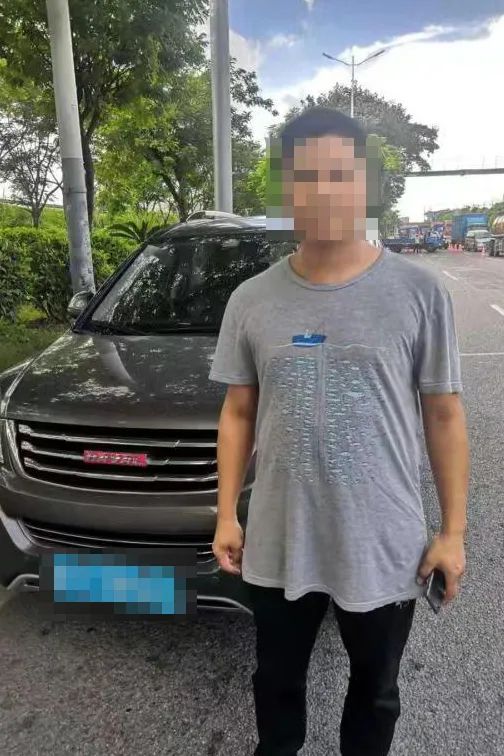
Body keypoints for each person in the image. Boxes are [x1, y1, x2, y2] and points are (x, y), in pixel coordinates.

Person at [210, 107, 469, 756]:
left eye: (338, 175)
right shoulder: (250, 300)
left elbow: (443, 415)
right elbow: (238, 412)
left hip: (383, 542)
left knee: (376, 693)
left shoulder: (419, 293)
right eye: (305, 177)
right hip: (280, 539)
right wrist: (226, 514)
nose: (322, 192)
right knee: (275, 684)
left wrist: (453, 532)